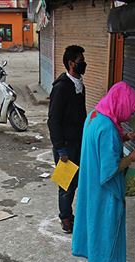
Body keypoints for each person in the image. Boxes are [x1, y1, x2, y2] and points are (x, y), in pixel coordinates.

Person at [71, 82, 135, 262]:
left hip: (90, 185)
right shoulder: (109, 128)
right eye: (129, 110)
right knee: (103, 230)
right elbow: (110, 169)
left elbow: (100, 143)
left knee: (94, 227)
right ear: (120, 104)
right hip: (105, 191)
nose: (130, 115)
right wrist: (131, 158)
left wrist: (125, 137)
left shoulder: (95, 115)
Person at [47, 45, 88, 234]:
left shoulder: (80, 85)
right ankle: (65, 217)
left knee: (78, 181)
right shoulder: (61, 87)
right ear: (71, 63)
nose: (83, 64)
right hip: (65, 146)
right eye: (80, 61)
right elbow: (53, 120)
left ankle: (73, 215)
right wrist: (60, 148)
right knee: (66, 184)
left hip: (79, 142)